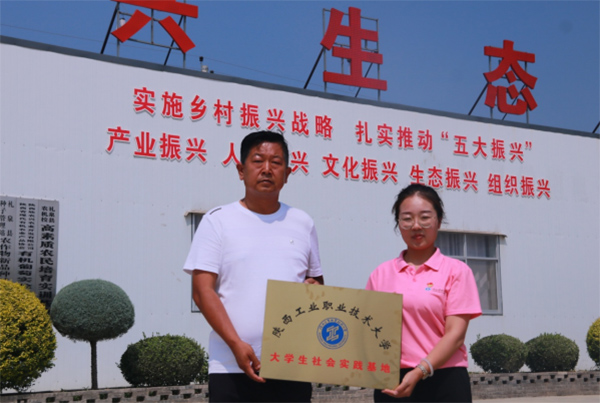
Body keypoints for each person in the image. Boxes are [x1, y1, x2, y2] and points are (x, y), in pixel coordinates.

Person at [183, 130, 324, 402]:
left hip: (291, 364)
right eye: (258, 161)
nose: (267, 169)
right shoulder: (217, 221)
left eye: (276, 162)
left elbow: (316, 283)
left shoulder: (303, 222)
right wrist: (235, 344)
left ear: (287, 173)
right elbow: (202, 292)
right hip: (230, 366)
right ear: (241, 170)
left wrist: (313, 289)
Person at [366, 184, 481, 402]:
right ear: (398, 223)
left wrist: (421, 370)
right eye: (407, 219)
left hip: (444, 379)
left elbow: (455, 335)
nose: (416, 226)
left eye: (425, 217)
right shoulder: (380, 274)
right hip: (392, 382)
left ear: (439, 220)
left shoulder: (456, 271)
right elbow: (368, 330)